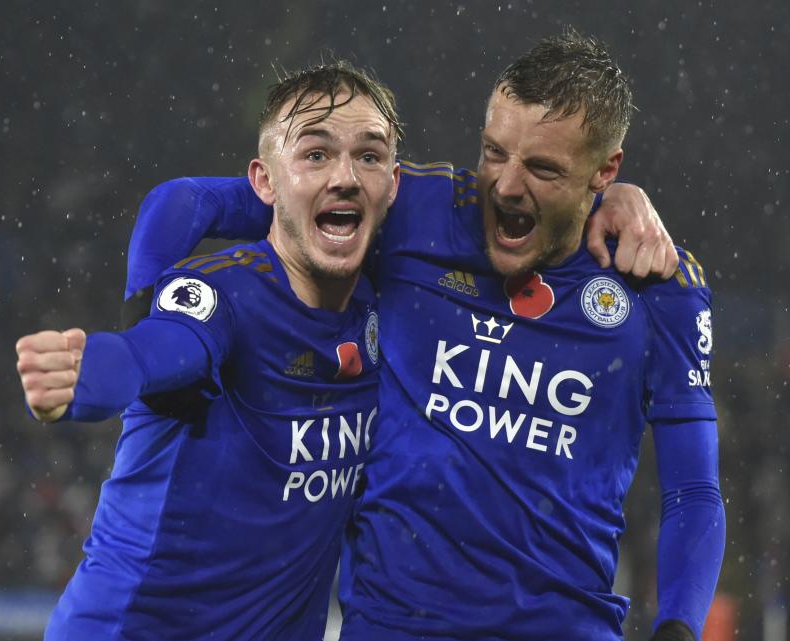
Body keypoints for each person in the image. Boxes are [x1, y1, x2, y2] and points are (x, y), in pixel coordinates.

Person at [125, 33, 724, 641]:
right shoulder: (412, 210)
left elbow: (694, 491)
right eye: (494, 152)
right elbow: (186, 203)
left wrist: (678, 629)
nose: (507, 187)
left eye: (543, 168)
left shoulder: (657, 287)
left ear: (607, 169)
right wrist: (143, 329)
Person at [16, 62, 401, 640]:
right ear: (264, 182)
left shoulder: (391, 300)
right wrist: (86, 375)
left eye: (368, 156)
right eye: (315, 154)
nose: (345, 176)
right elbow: (156, 350)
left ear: (394, 182)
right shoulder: (221, 293)